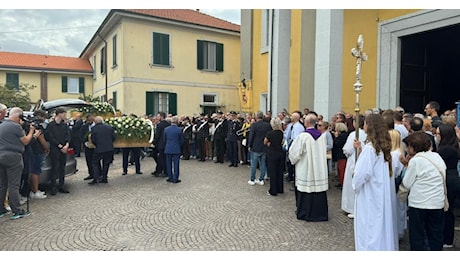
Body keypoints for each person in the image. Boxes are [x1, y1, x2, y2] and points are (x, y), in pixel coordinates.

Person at [352, 113, 397, 250]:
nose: (363, 126)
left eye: (365, 123)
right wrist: (360, 149)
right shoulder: (383, 147)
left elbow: (362, 173)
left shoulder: (371, 149)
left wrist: (355, 183)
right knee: (379, 224)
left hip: (370, 194)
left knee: (369, 227)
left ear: (369, 126)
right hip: (379, 192)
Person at [400, 131, 446, 250]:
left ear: (413, 147)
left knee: (417, 236)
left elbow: (407, 182)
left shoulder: (416, 161)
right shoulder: (436, 156)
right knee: (435, 234)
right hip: (437, 201)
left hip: (419, 202)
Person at [288, 112, 328, 222]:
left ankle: (305, 213)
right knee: (318, 191)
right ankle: (320, 214)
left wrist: (292, 160)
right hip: (319, 169)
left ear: (306, 123)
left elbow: (294, 153)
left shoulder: (303, 136)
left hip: (306, 168)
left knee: (306, 190)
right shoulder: (321, 136)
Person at [0, 107, 39, 219]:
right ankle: (16, 210)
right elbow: (26, 141)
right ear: (18, 117)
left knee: (2, 184)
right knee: (13, 185)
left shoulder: (1, 125)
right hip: (13, 157)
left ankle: (1, 209)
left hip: (1, 155)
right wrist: (32, 132)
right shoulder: (16, 127)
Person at [435, 124, 460, 248]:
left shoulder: (445, 150)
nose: (436, 136)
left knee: (447, 209)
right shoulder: (452, 147)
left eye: (438, 134)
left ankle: (447, 239)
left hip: (448, 179)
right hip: (452, 178)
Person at [341, 114, 366, 219]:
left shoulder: (354, 134)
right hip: (362, 159)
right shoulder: (366, 134)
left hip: (353, 160)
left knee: (351, 185)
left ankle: (351, 207)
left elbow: (347, 149)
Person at [45, 108, 70, 195]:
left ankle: (61, 185)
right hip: (55, 149)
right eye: (64, 114)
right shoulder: (51, 125)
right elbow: (50, 137)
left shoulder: (64, 125)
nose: (65, 116)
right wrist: (59, 146)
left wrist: (66, 144)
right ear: (59, 114)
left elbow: (68, 135)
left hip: (64, 148)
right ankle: (53, 187)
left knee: (62, 168)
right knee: (55, 168)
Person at [29, 110, 50, 200]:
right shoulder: (38, 125)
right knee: (36, 172)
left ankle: (32, 190)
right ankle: (35, 191)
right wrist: (47, 148)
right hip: (37, 151)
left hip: (30, 150)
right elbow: (42, 139)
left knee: (32, 171)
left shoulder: (30, 124)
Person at [247, 111, 272, 185]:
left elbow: (251, 136)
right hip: (264, 146)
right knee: (263, 164)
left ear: (256, 117)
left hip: (255, 146)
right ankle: (261, 179)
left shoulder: (254, 125)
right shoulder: (267, 125)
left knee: (254, 164)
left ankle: (252, 179)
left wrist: (249, 145)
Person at [89, 116, 116, 184]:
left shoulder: (94, 128)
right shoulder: (109, 127)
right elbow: (114, 137)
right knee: (106, 163)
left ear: (95, 122)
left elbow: (93, 139)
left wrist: (96, 145)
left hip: (99, 148)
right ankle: (104, 178)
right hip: (109, 148)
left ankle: (96, 178)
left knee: (94, 162)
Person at [264, 117, 284, 196]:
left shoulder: (269, 133)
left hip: (272, 153)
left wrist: (269, 143)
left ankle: (273, 190)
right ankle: (280, 188)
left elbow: (265, 142)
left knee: (273, 172)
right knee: (279, 171)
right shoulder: (281, 133)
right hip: (280, 152)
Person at [164, 116, 184, 183]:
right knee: (176, 164)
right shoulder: (179, 130)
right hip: (176, 148)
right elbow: (181, 141)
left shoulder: (166, 129)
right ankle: (175, 178)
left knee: (168, 163)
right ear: (177, 122)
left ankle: (170, 177)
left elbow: (164, 140)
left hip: (168, 147)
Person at [152, 112, 170, 177]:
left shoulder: (160, 125)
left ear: (161, 117)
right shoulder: (168, 124)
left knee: (161, 158)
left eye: (158, 116)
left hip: (160, 144)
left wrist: (153, 142)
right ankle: (158, 170)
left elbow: (158, 135)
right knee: (161, 158)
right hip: (166, 143)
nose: (157, 117)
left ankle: (165, 171)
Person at [332, 122, 348, 189]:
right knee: (340, 170)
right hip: (340, 155)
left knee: (341, 170)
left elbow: (337, 143)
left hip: (341, 155)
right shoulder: (344, 135)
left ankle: (343, 184)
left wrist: (336, 137)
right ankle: (341, 182)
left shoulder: (342, 136)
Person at [80, 114, 95, 181]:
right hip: (87, 146)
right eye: (88, 120)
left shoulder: (96, 126)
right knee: (89, 160)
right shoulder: (84, 127)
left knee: (95, 161)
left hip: (95, 146)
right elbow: (81, 135)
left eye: (90, 120)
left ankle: (98, 174)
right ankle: (91, 174)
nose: (89, 122)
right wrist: (84, 142)